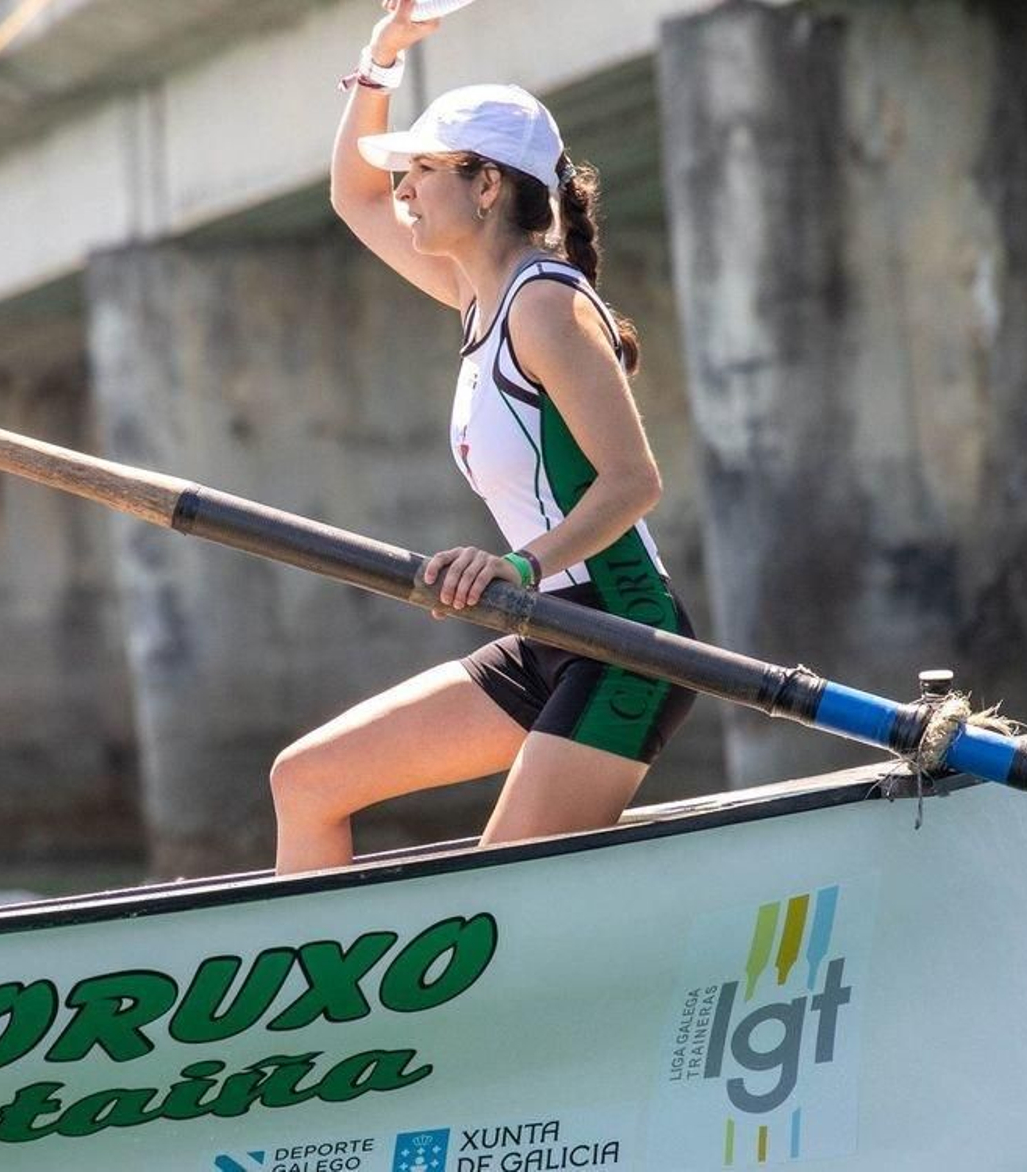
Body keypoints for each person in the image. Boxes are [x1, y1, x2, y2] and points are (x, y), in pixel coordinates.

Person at [268, 0, 696, 875]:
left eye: (422, 170)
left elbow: (632, 482)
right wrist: (380, 60)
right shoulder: (481, 301)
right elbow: (353, 195)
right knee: (306, 779)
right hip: (546, 631)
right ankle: (320, 1004)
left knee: (495, 897)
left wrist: (522, 567)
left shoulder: (545, 305)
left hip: (624, 641)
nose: (404, 189)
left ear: (487, 183)